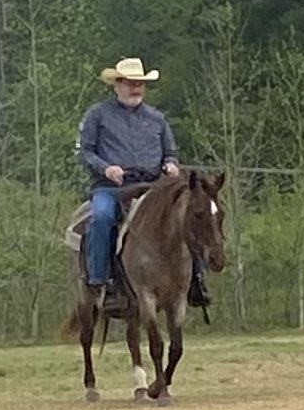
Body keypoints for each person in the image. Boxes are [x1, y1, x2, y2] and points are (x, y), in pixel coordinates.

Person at [75, 56, 210, 314]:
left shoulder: (157, 119)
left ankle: (196, 282)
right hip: (111, 187)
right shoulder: (98, 115)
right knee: (102, 218)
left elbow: (169, 152)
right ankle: (101, 281)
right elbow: (85, 152)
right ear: (117, 84)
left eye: (139, 83)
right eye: (130, 83)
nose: (135, 88)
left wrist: (171, 165)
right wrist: (106, 168)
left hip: (152, 186)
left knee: (188, 216)